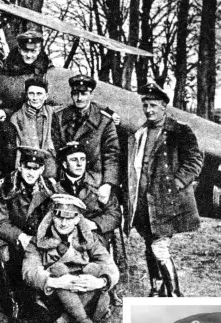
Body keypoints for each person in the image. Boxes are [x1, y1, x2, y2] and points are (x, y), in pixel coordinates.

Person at [126, 82, 203, 297]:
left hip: (165, 202)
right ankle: (155, 289)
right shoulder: (141, 132)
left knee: (159, 248)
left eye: (153, 105)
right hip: (144, 203)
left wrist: (177, 183)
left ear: (164, 107)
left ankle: (175, 295)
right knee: (149, 245)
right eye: (145, 105)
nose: (149, 110)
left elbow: (195, 160)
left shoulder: (179, 131)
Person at [22, 194, 119, 323]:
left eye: (69, 218)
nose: (64, 222)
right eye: (59, 217)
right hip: (54, 300)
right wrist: (56, 282)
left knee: (93, 269)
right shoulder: (38, 241)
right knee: (58, 268)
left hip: (86, 295)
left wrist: (99, 282)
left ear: (77, 219)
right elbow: (29, 270)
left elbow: (109, 265)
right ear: (52, 217)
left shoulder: (88, 239)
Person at [0, 146, 56, 323]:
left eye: (36, 169)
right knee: (4, 254)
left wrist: (39, 239)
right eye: (27, 167)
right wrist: (19, 236)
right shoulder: (4, 186)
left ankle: (34, 300)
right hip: (7, 237)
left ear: (42, 169)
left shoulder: (50, 189)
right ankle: (13, 305)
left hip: (36, 240)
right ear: (20, 166)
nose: (31, 173)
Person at [52, 74, 121, 205]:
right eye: (75, 94)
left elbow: (112, 155)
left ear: (91, 95)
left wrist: (108, 184)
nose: (79, 98)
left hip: (94, 183)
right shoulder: (59, 117)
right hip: (65, 182)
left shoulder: (104, 121)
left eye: (83, 94)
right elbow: (54, 150)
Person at [55, 141, 121, 249]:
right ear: (65, 164)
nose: (79, 164)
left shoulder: (99, 186)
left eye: (82, 159)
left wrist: (93, 224)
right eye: (74, 160)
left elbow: (115, 215)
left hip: (93, 240)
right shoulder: (56, 188)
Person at [4, 77, 56, 178]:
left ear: (46, 96)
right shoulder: (16, 118)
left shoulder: (51, 113)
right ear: (27, 95)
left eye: (39, 94)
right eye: (31, 93)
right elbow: (16, 150)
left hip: (47, 166)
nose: (35, 98)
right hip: (27, 167)